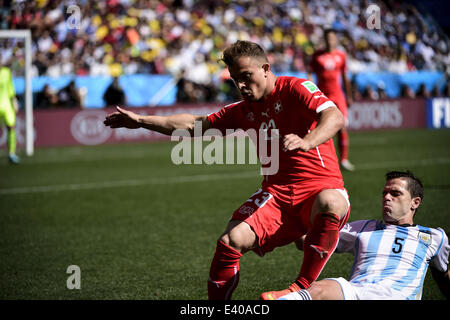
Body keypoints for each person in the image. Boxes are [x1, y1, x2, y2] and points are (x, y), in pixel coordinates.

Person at [104, 40, 351, 300]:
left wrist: (307, 141)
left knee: (330, 201)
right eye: (235, 80)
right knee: (229, 242)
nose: (241, 86)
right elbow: (193, 125)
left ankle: (301, 287)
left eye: (246, 77)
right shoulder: (243, 110)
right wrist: (142, 121)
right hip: (277, 195)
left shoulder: (295, 87)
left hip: (319, 188)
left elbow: (335, 116)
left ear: (265, 68)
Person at [280, 170, 450, 300]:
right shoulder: (363, 227)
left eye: (395, 193)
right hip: (357, 292)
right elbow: (311, 241)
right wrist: (290, 215)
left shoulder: (435, 237)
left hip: (398, 296)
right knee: (317, 289)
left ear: (415, 202)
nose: (387, 198)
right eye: (385, 193)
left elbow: (443, 273)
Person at [307, 29, 354, 171]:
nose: (330, 41)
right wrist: (312, 90)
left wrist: (349, 95)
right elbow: (309, 73)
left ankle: (344, 160)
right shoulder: (317, 56)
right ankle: (321, 161)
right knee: (320, 127)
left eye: (332, 38)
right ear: (324, 39)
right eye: (327, 38)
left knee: (341, 126)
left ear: (335, 40)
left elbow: (345, 77)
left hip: (338, 95)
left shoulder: (341, 56)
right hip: (323, 96)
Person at [0, 62, 19, 164]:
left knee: (11, 127)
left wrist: (14, 101)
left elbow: (10, 88)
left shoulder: (6, 72)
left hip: (6, 105)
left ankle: (12, 153)